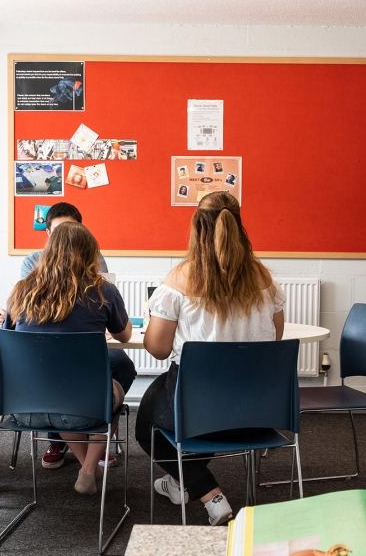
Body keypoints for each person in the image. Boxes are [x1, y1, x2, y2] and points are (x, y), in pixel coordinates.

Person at [134, 191, 285, 525]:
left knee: (147, 427)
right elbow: (275, 337)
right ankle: (179, 481)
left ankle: (208, 493)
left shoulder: (178, 280)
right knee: (172, 407)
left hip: (200, 405)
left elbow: (158, 349)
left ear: (197, 227)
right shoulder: (264, 279)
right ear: (238, 224)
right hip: (256, 406)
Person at [5, 222, 132, 495]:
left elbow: (8, 338)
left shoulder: (20, 290)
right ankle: (88, 468)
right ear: (90, 254)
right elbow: (124, 336)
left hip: (23, 408)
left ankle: (87, 467)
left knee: (59, 392)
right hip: (80, 409)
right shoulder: (102, 291)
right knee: (114, 389)